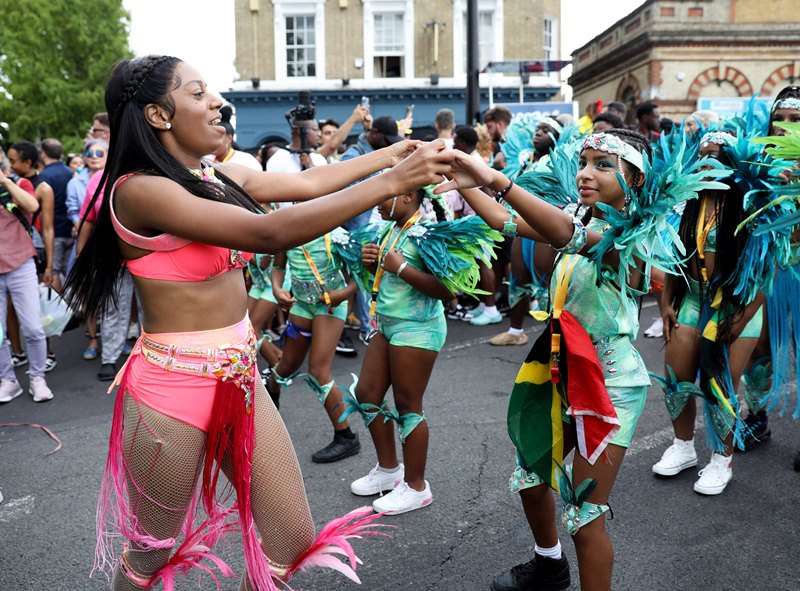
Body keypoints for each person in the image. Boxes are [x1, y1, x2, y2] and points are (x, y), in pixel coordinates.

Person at [64, 55, 451, 591]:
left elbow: (311, 184)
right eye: (198, 94)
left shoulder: (212, 175)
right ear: (158, 114)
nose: (218, 102)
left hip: (241, 375)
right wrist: (393, 182)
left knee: (291, 538)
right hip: (172, 393)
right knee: (150, 556)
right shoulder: (139, 189)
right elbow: (269, 234)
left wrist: (394, 155)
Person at [439, 128, 719, 591]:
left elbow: (567, 235)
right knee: (530, 473)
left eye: (603, 165)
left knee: (586, 514)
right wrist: (466, 180)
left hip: (608, 386)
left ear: (636, 181)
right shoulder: (574, 214)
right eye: (584, 161)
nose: (586, 173)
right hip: (558, 366)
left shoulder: (637, 236)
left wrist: (495, 178)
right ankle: (549, 564)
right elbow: (505, 223)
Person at [342, 188, 500, 514]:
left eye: (385, 195)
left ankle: (416, 486)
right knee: (367, 394)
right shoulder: (390, 229)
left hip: (418, 328)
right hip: (387, 324)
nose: (378, 201)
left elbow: (448, 289)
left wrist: (399, 267)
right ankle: (389, 471)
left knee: (408, 405)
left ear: (409, 196)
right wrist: (373, 265)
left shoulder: (427, 233)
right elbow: (388, 281)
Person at [651, 131, 765, 495]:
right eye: (702, 156)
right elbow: (674, 259)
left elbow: (765, 269)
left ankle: (721, 460)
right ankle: (683, 447)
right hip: (692, 298)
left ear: (733, 161)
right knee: (676, 375)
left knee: (719, 384)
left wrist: (744, 317)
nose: (707, 163)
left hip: (736, 304)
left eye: (716, 156)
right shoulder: (688, 201)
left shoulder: (751, 203)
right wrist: (665, 303)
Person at [265, 227, 362, 463]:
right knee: (286, 365)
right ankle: (271, 394)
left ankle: (346, 436)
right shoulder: (290, 229)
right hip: (301, 304)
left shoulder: (337, 234)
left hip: (329, 306)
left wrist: (341, 295)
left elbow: (356, 279)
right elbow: (278, 266)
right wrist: (278, 289)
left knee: (319, 370)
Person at [0, 167, 54, 403]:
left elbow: (32, 206)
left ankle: (37, 378)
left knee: (33, 327)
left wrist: (4, 181)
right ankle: (8, 381)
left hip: (21, 264)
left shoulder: (19, 183)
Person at [67, 139, 108, 360]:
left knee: (115, 294)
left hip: (110, 245)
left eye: (99, 152)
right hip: (86, 241)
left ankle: (115, 339)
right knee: (89, 294)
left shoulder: (115, 176)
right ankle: (93, 338)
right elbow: (74, 210)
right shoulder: (75, 182)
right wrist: (80, 226)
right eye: (89, 152)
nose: (93, 156)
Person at [209, 105, 262, 170]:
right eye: (209, 138)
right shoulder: (205, 160)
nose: (212, 142)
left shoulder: (246, 161)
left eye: (216, 137)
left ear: (229, 138)